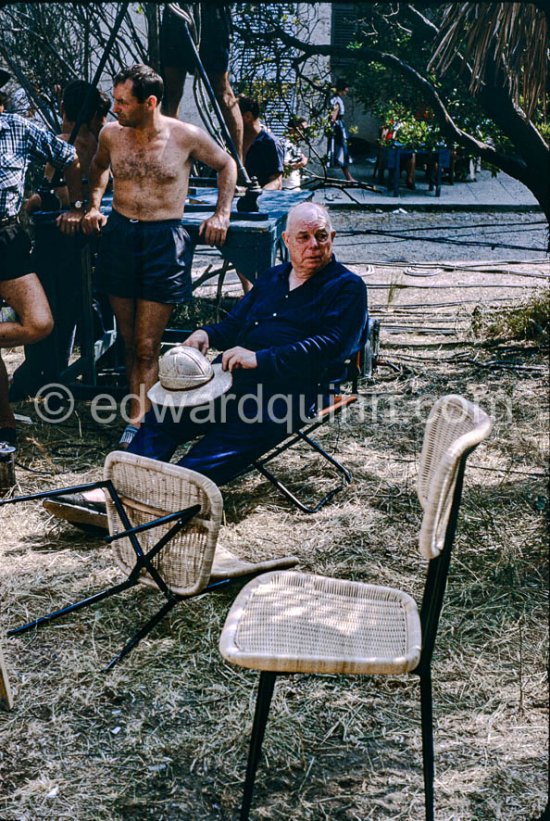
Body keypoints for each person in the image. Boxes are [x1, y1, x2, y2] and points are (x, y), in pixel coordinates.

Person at [47, 202, 367, 524]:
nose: (313, 245)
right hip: (234, 379)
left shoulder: (346, 287)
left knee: (227, 437)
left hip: (296, 391)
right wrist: (206, 335)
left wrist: (260, 359)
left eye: (321, 236)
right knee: (167, 413)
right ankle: (118, 490)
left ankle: (150, 504)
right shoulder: (272, 278)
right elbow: (234, 326)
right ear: (286, 240)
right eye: (304, 237)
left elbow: (331, 348)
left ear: (333, 237)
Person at [81, 64, 237, 448]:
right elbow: (98, 168)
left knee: (149, 344)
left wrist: (222, 213)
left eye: (123, 102)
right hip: (119, 234)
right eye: (115, 100)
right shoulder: (111, 135)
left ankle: (139, 425)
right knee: (130, 339)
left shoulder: (185, 136)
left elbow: (226, 164)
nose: (115, 108)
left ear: (149, 103)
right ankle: (140, 413)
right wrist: (93, 205)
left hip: (162, 238)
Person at [10, 81, 111, 399]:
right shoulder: (101, 139)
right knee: (70, 304)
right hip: (88, 236)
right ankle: (58, 368)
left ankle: (45, 371)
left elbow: (60, 192)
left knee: (48, 305)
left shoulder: (65, 141)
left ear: (64, 108)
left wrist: (38, 200)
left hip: (58, 236)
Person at [0, 72, 84, 447]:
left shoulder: (16, 129)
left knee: (39, 323)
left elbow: (70, 158)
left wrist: (81, 205)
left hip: (8, 239)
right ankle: (5, 429)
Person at [160, 3, 243, 161]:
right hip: (176, 12)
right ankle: (170, 158)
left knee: (221, 90)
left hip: (211, 14)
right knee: (170, 90)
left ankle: (238, 164)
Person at [239, 95, 284, 190]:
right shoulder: (234, 140)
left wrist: (255, 196)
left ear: (248, 116)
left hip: (259, 203)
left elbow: (276, 182)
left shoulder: (269, 143)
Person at [327, 79, 356, 184]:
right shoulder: (336, 101)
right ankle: (348, 177)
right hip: (338, 128)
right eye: (346, 90)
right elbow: (333, 117)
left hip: (339, 126)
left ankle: (348, 176)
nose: (346, 92)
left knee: (342, 151)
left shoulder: (337, 99)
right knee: (342, 151)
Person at [282, 115, 309, 190]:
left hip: (293, 186)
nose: (303, 133)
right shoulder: (287, 144)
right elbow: (284, 167)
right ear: (292, 130)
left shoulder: (294, 143)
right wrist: (301, 164)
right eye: (301, 129)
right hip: (287, 188)